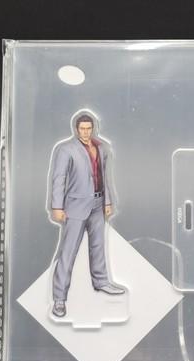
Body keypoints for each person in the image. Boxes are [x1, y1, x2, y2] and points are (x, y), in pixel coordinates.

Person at [49, 113, 125, 318]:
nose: (85, 132)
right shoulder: (66, 149)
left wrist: (108, 202)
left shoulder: (102, 147)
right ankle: (59, 298)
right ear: (76, 129)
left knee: (98, 246)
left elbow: (106, 177)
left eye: (88, 128)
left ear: (93, 128)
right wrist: (57, 206)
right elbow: (59, 178)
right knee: (68, 252)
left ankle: (101, 281)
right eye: (82, 129)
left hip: (98, 203)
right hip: (75, 205)